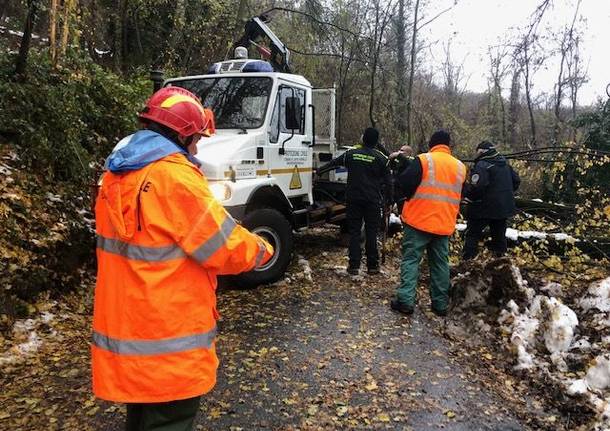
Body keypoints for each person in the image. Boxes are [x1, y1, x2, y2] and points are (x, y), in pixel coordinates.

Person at [92, 86, 273, 431]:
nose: (198, 147)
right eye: (197, 139)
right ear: (182, 134)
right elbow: (224, 246)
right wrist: (262, 248)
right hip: (169, 341)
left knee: (142, 416)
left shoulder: (115, 175)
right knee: (169, 419)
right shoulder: (174, 178)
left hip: (131, 336)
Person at [390, 130, 466, 316]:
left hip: (419, 221)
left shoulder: (424, 160)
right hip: (444, 224)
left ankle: (406, 301)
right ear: (448, 145)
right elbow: (461, 194)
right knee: (440, 264)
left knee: (411, 260)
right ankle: (440, 305)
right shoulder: (460, 167)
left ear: (432, 144)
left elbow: (404, 183)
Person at [319, 127, 391, 275]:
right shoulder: (381, 159)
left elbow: (334, 163)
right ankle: (373, 266)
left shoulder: (351, 154)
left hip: (353, 200)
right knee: (371, 232)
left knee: (354, 232)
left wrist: (319, 172)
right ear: (376, 142)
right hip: (372, 201)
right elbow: (389, 182)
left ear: (363, 138)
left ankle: (353, 266)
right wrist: (388, 201)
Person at [462, 141, 521, 260]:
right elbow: (516, 180)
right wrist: (505, 194)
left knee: (472, 234)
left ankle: (468, 262)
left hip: (483, 207)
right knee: (499, 236)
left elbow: (477, 186)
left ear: (481, 151)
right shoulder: (504, 163)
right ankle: (501, 262)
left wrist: (469, 197)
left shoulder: (482, 165)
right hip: (503, 208)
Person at [388, 145, 415, 214]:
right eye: (400, 150)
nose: (399, 151)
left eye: (402, 151)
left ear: (408, 153)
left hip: (404, 193)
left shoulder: (412, 161)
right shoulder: (398, 160)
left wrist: (399, 155)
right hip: (394, 190)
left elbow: (408, 164)